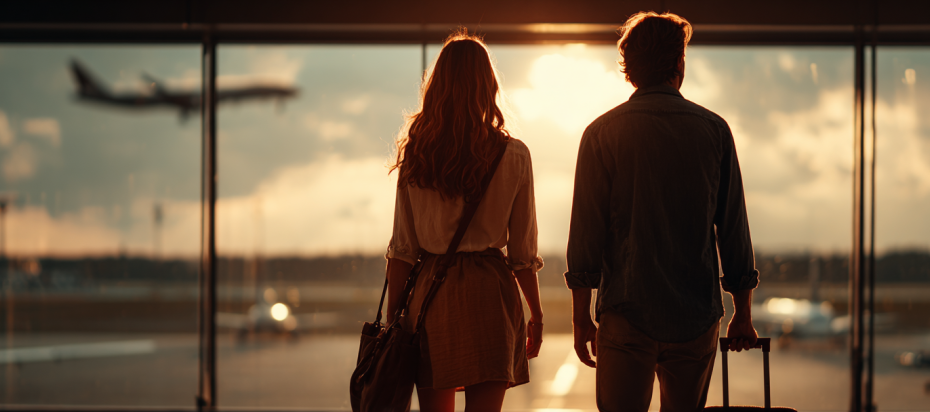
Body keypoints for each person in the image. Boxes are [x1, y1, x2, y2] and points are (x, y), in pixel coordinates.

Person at [564, 12, 760, 412]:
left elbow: (587, 234)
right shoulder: (715, 131)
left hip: (625, 313)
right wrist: (742, 312)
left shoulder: (601, 133)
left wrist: (581, 317)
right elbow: (734, 228)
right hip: (696, 315)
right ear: (679, 64)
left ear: (629, 68)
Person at [383, 31, 545, 412]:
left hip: (430, 298)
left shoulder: (417, 158)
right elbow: (522, 254)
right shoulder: (514, 155)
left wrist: (395, 323)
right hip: (490, 295)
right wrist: (535, 314)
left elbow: (403, 251)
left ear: (436, 87)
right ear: (488, 86)